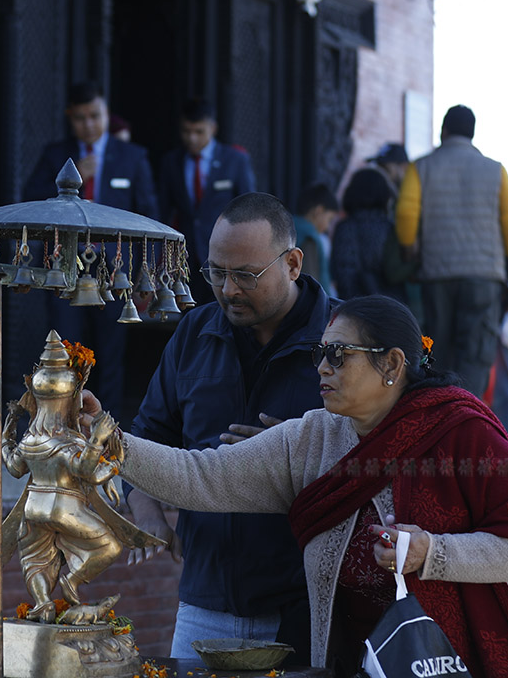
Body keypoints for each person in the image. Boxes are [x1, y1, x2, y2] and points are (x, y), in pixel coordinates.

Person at [103, 295, 508, 677]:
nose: (322, 367)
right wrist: (106, 438)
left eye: (339, 355)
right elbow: (200, 477)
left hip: (464, 659)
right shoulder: (313, 436)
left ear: (392, 364)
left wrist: (432, 553)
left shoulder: (463, 431)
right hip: (354, 663)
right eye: (318, 354)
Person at [122, 192, 334, 663]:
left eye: (246, 275)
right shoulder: (194, 333)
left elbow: (381, 461)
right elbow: (147, 434)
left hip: (306, 606)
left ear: (293, 264)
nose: (229, 289)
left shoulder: (341, 340)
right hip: (204, 600)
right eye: (216, 272)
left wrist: (290, 456)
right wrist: (145, 508)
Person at [23, 81, 159, 414]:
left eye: (95, 116)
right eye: (81, 118)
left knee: (110, 350)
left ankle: (103, 426)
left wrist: (148, 273)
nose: (89, 124)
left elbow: (147, 215)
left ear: (105, 113)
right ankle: (62, 422)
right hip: (65, 265)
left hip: (114, 269)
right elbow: (29, 199)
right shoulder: (56, 154)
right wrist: (72, 177)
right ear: (71, 118)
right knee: (62, 345)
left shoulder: (132, 156)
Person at [394, 105, 508, 397]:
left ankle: (439, 415)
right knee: (475, 355)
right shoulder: (495, 170)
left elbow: (405, 215)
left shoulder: (421, 167)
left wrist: (409, 251)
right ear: (473, 134)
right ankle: (468, 416)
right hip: (484, 277)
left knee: (437, 350)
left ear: (444, 131)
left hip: (436, 274)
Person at [156, 97, 257, 304]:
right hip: (184, 259)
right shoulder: (171, 162)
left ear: (213, 128)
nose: (192, 138)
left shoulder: (235, 161)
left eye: (199, 132)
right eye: (186, 131)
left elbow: (248, 209)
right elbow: (162, 212)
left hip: (225, 258)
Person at [330, 168, 408, 302]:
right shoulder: (389, 227)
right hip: (390, 304)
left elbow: (342, 272)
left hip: (353, 305)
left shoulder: (344, 227)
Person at [293, 183, 340, 292]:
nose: (328, 227)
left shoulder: (289, 227)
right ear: (318, 211)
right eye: (329, 219)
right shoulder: (309, 237)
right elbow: (311, 282)